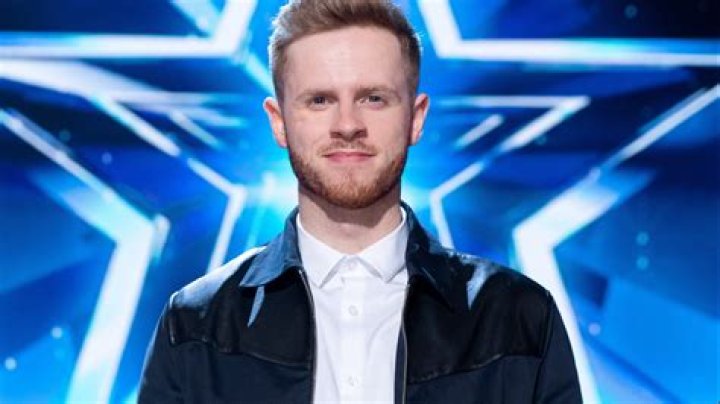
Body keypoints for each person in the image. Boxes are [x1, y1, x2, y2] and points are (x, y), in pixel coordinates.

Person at [138, 0, 582, 402]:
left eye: (373, 98)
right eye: (319, 100)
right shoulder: (194, 326)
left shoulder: (519, 319)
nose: (348, 124)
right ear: (279, 122)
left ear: (415, 117)